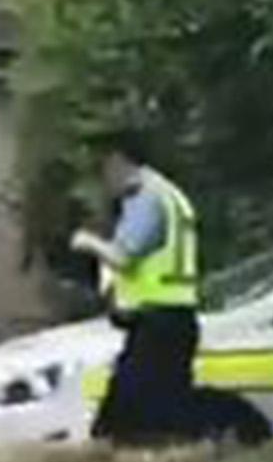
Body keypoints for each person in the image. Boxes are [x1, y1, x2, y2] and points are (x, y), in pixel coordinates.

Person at [69, 131, 202, 445]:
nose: (103, 184)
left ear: (118, 163)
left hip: (157, 325)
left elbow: (123, 257)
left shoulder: (147, 199)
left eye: (102, 172)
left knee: (122, 426)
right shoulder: (169, 195)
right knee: (165, 422)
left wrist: (87, 242)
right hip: (175, 321)